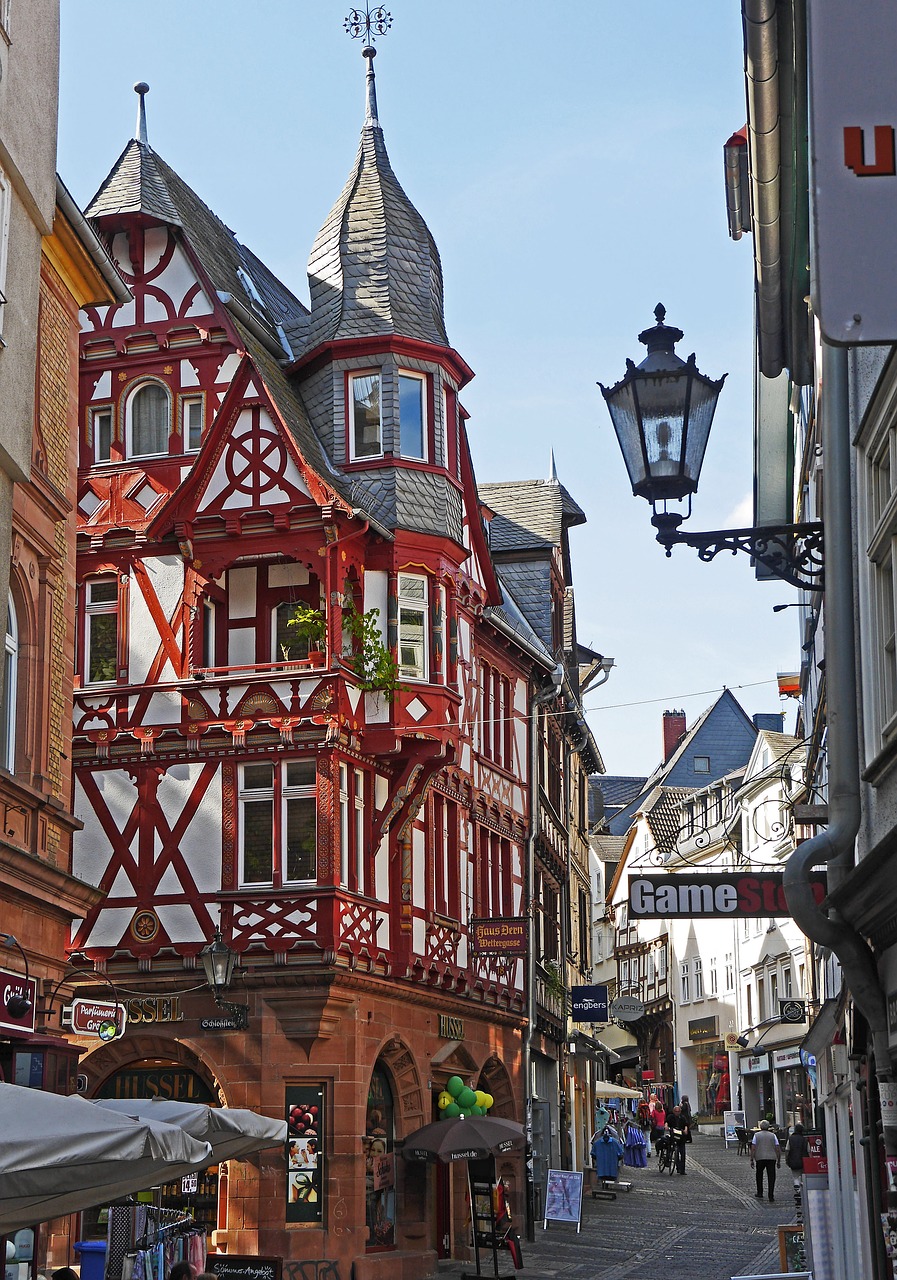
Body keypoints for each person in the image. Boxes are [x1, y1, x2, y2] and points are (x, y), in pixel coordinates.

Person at [751, 1118, 781, 1201]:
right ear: (768, 1127)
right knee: (771, 1176)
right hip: (771, 1158)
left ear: (760, 1127)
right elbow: (777, 1148)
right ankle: (771, 1195)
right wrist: (778, 1160)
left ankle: (760, 1192)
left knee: (759, 1175)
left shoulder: (756, 1135)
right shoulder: (773, 1135)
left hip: (760, 1157)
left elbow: (753, 1148)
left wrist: (752, 1159)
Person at [666, 1104, 690, 1174]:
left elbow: (686, 1124)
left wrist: (685, 1130)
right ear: (674, 1111)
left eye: (678, 1111)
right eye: (676, 1111)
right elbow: (667, 1122)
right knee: (672, 1150)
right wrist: (666, 1126)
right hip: (673, 1136)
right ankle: (672, 1162)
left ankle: (682, 1170)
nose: (677, 1113)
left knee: (682, 1154)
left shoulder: (682, 1117)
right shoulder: (671, 1117)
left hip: (681, 1138)